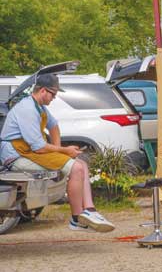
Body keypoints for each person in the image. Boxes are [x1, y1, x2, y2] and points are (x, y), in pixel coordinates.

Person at [0, 73, 115, 232]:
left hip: (29, 151)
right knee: (76, 168)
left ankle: (90, 210)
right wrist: (64, 151)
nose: (54, 98)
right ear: (42, 91)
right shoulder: (27, 109)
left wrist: (59, 151)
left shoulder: (39, 107)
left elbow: (54, 126)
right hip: (15, 156)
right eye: (53, 94)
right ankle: (76, 220)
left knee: (82, 164)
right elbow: (39, 147)